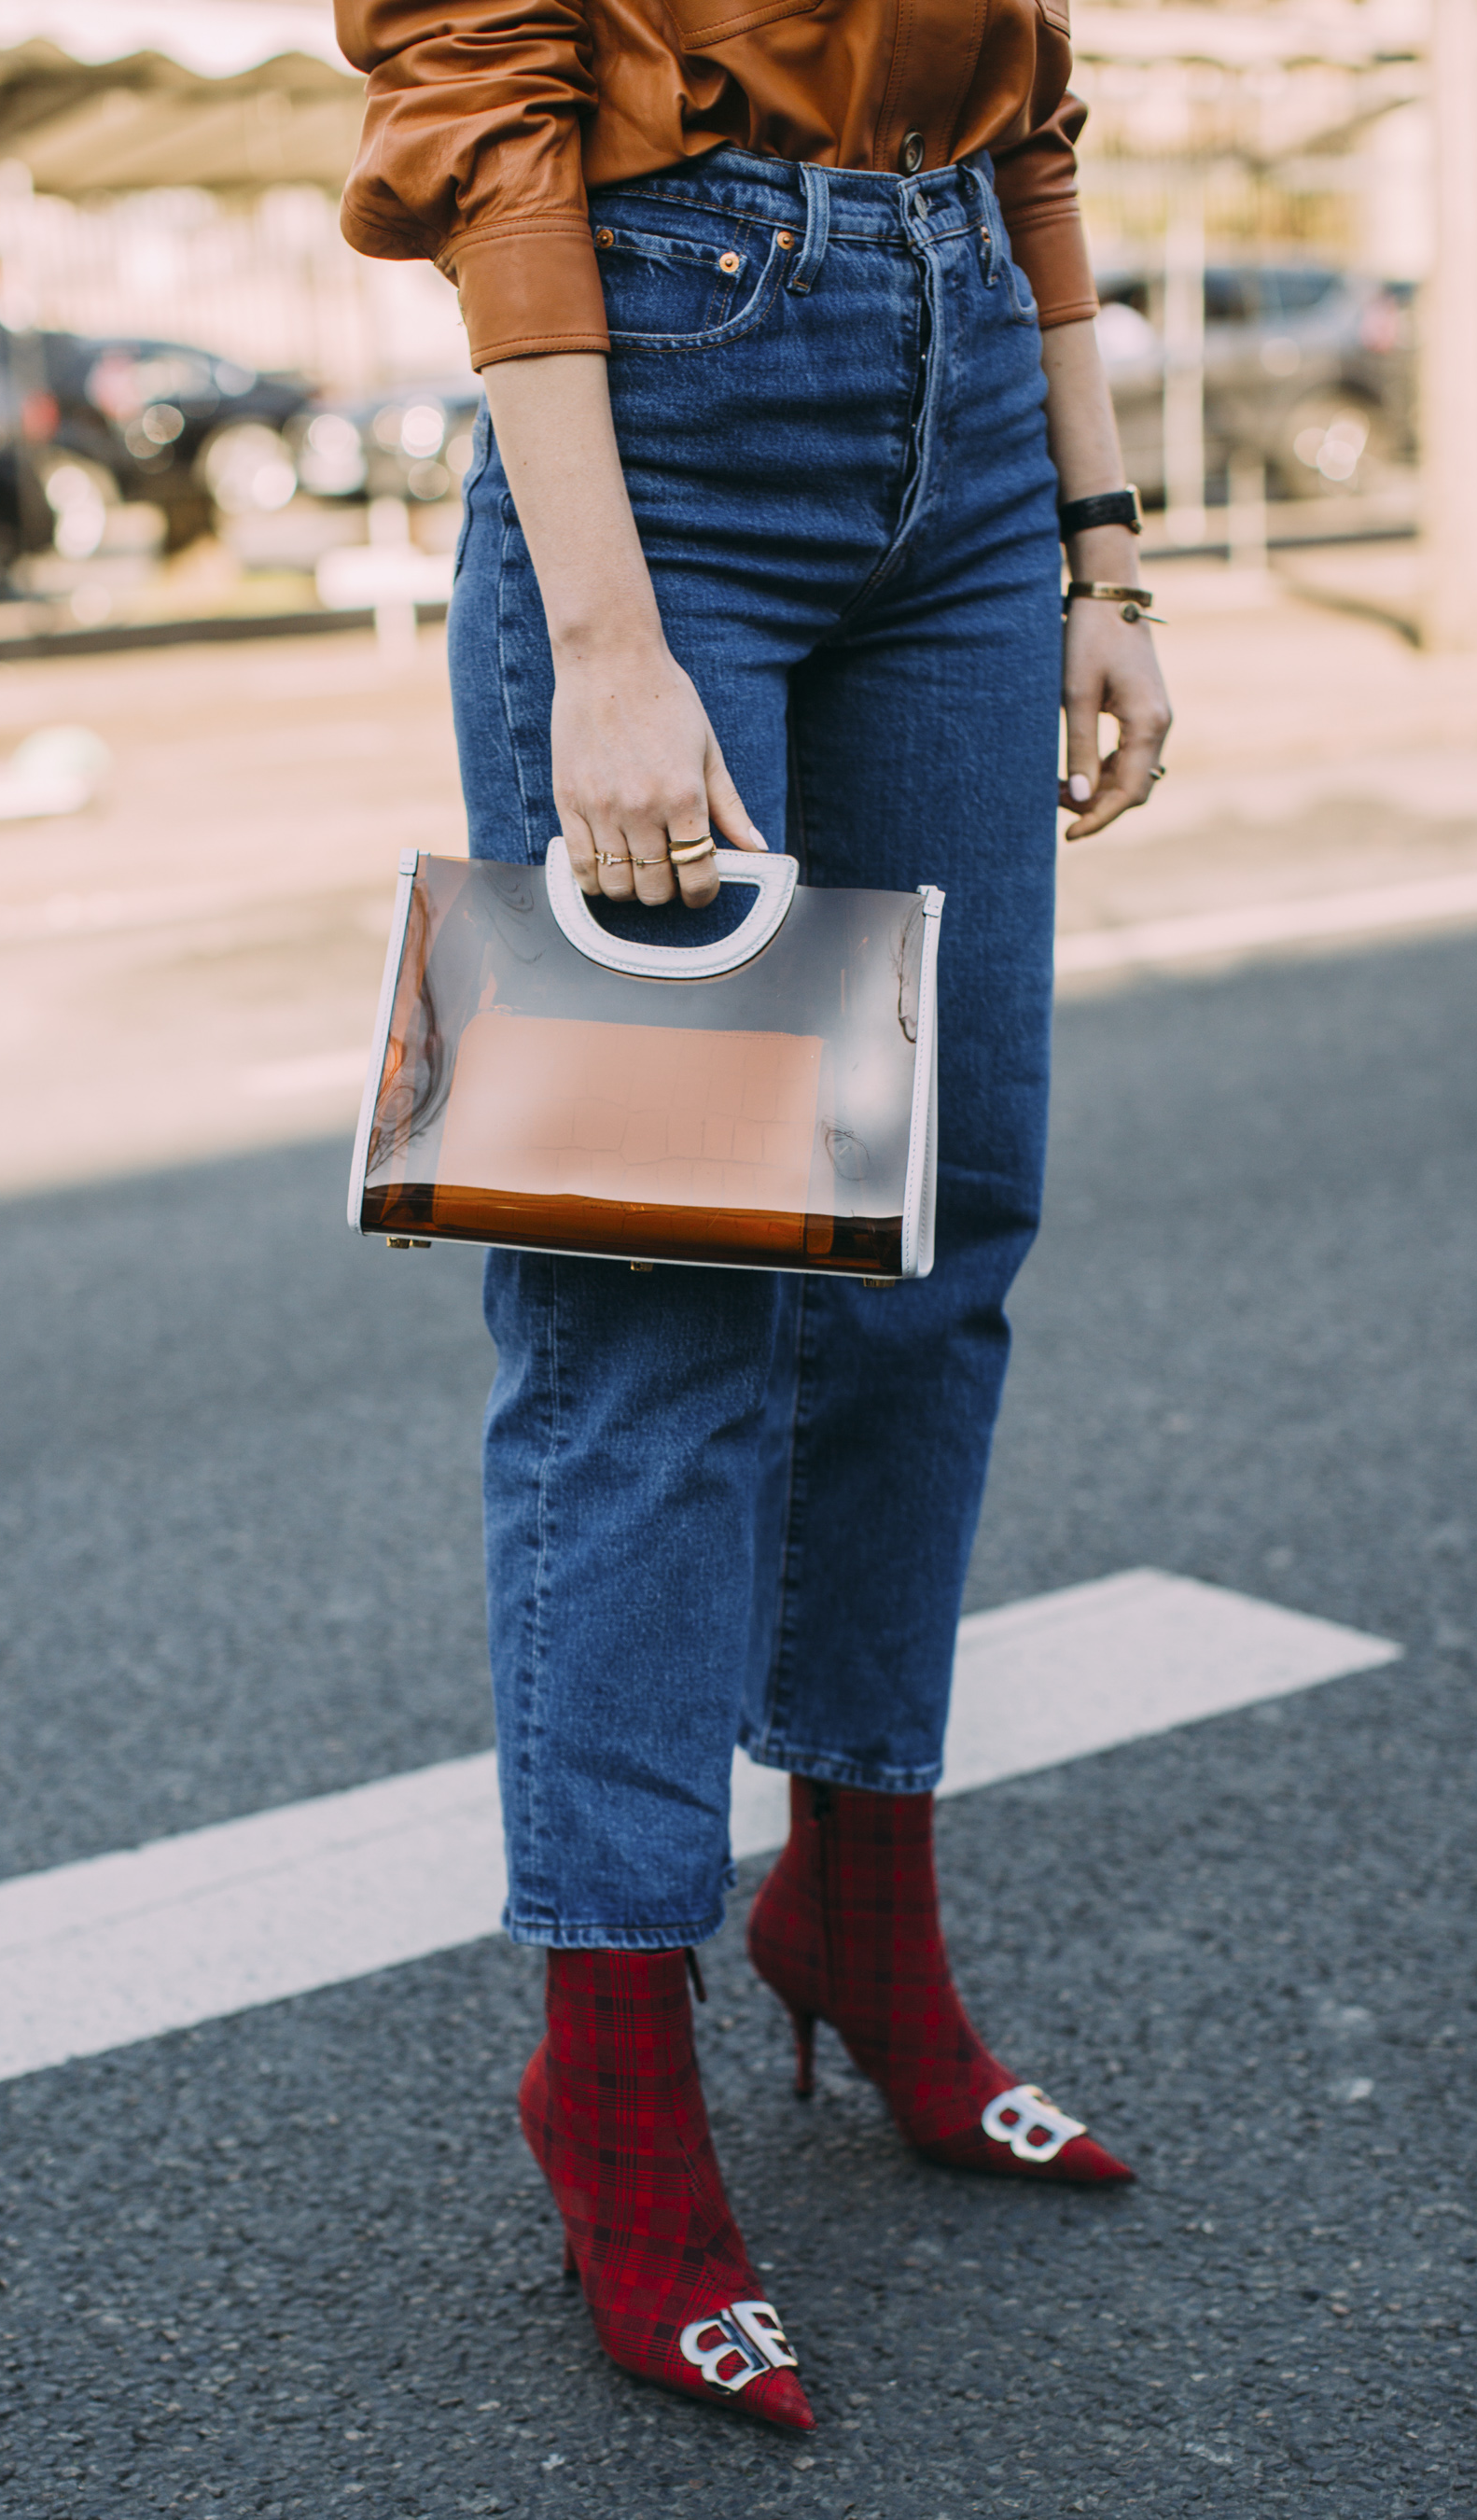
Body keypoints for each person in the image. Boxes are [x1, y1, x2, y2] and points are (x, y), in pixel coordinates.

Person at [336, 0, 1171, 2434]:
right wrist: (601, 637)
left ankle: (867, 1927)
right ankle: (609, 2063)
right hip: (663, 408)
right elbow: (478, 93)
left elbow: (1029, 90)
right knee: (659, 1285)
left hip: (972, 413)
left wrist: (1105, 534)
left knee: (946, 1228)